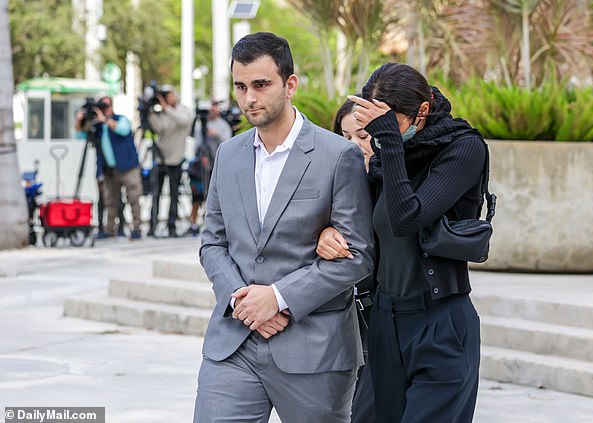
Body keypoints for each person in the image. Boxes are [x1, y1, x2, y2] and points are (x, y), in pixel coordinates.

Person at [192, 32, 374, 423]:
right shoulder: (228, 154)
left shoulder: (337, 155)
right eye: (240, 87)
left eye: (261, 85)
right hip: (234, 344)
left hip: (315, 348)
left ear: (290, 84)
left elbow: (358, 256)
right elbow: (212, 243)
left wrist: (278, 297)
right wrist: (243, 301)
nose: (249, 99)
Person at [318, 62, 485, 422]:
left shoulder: (463, 148)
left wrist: (390, 143)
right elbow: (359, 222)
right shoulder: (386, 156)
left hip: (440, 323)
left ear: (422, 110)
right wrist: (328, 231)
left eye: (387, 121)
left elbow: (408, 217)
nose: (376, 134)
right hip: (384, 321)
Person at [329, 97, 376, 423]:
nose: (353, 146)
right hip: (341, 319)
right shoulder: (331, 182)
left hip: (382, 318)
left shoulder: (392, 183)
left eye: (361, 135)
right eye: (344, 138)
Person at [75, 96, 143, 240]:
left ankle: (136, 228)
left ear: (111, 107)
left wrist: (105, 120)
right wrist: (80, 119)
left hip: (128, 167)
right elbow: (79, 134)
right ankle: (109, 229)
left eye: (105, 106)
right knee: (110, 201)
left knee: (133, 198)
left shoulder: (120, 119)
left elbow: (123, 130)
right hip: (110, 170)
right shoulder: (97, 126)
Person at [147, 85, 194, 237]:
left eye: (169, 95)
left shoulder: (183, 111)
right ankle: (152, 224)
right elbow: (158, 129)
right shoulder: (162, 113)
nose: (167, 98)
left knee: (174, 194)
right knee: (156, 193)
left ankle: (171, 225)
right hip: (161, 159)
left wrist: (166, 108)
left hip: (176, 160)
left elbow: (183, 122)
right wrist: (149, 114)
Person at [185, 100, 233, 236]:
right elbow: (196, 144)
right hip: (201, 166)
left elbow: (228, 143)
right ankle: (193, 223)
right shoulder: (201, 125)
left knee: (215, 196)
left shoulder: (223, 125)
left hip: (217, 165)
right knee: (197, 195)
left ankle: (216, 225)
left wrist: (216, 134)